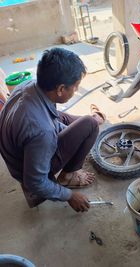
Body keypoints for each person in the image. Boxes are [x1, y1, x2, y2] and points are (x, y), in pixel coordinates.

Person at [0, 48, 105, 212]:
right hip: (24, 165)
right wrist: (69, 195)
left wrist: (69, 131)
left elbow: (51, 118)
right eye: (75, 87)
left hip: (18, 144)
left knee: (82, 122)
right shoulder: (42, 132)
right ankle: (67, 176)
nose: (76, 91)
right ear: (61, 89)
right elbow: (34, 182)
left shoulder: (30, 85)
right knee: (90, 125)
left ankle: (88, 123)